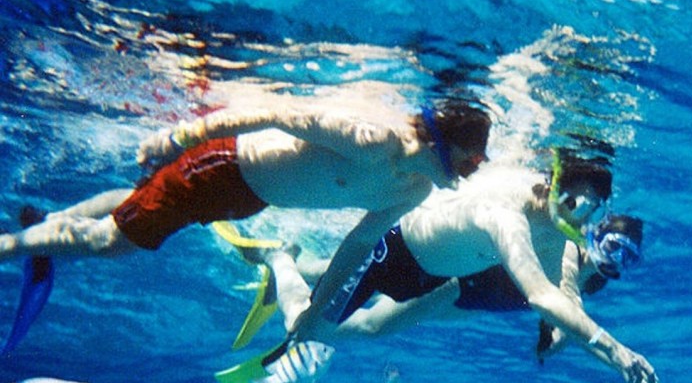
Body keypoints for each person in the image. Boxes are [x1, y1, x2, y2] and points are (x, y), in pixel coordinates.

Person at [0, 96, 491, 348]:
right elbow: (275, 114)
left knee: (138, 205)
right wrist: (180, 136)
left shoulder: (414, 188)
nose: (477, 169)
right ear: (443, 143)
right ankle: (13, 245)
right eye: (473, 159)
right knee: (112, 241)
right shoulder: (372, 140)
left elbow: (360, 243)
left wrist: (319, 308)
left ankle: (51, 224)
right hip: (222, 166)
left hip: (247, 196)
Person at [221, 152, 659, 383]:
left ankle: (292, 264)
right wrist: (619, 353)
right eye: (578, 208)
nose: (582, 224)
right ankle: (279, 258)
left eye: (593, 214)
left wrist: (620, 362)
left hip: (430, 273)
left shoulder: (556, 230)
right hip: (391, 251)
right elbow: (543, 296)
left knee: (358, 322)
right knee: (305, 331)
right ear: (557, 185)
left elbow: (564, 304)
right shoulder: (506, 217)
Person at [233, 212, 643, 362]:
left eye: (625, 257)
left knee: (338, 278)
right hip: (446, 285)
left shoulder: (592, 288)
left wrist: (567, 333)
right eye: (612, 246)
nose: (612, 260)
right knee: (366, 322)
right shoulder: (564, 248)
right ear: (595, 232)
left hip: (459, 301)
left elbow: (545, 345)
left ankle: (285, 257)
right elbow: (558, 292)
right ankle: (280, 261)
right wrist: (585, 333)